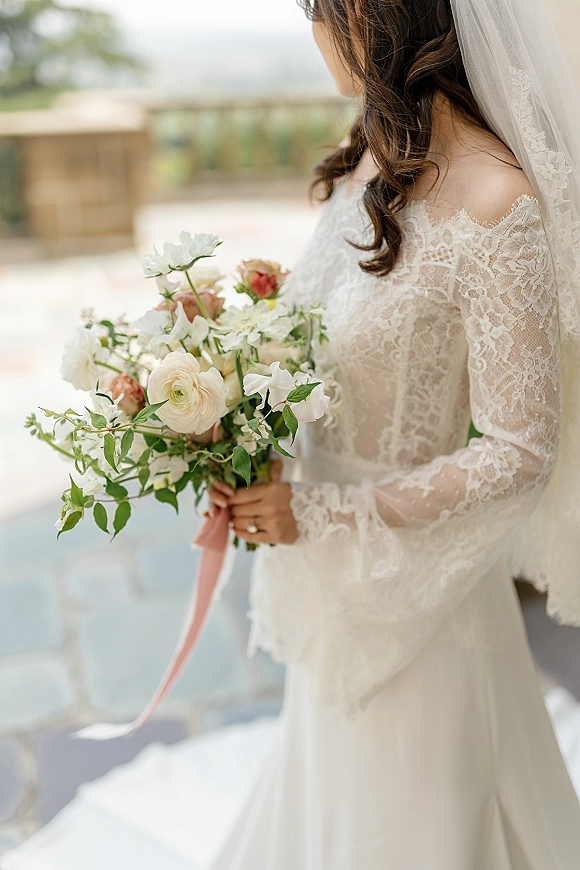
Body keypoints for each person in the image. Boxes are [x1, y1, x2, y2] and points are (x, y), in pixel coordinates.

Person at [4, 0, 580, 867]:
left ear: (378, 15)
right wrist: (242, 417)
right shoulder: (377, 152)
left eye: (321, 9)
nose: (312, 32)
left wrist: (327, 512)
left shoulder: (497, 205)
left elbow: (521, 449)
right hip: (324, 569)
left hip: (418, 593)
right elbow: (330, 335)